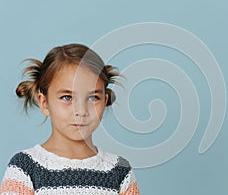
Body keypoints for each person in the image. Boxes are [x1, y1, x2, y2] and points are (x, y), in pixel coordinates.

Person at [0, 43, 140, 195]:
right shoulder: (26, 167)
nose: (81, 111)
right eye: (67, 97)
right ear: (44, 103)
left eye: (93, 97)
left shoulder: (119, 171)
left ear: (104, 101)